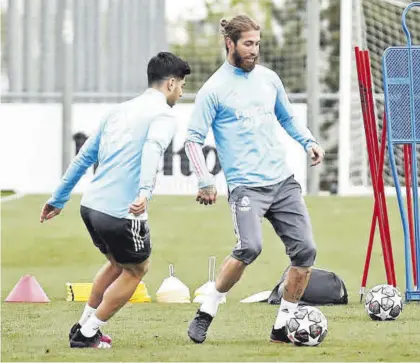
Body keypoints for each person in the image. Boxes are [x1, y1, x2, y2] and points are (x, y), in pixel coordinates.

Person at [185, 15, 325, 344]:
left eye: (257, 44)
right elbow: (192, 139)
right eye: (248, 44)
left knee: (306, 252)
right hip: (247, 186)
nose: (254, 51)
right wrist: (205, 180)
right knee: (250, 246)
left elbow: (288, 117)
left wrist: (309, 142)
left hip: (283, 182)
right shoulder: (213, 90)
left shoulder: (269, 79)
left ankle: (282, 327)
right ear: (229, 44)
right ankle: (207, 310)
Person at [40, 52, 190, 348]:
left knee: (118, 265)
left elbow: (84, 157)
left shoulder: (118, 111)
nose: (182, 92)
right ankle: (87, 334)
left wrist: (58, 198)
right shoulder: (163, 115)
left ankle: (83, 325)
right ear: (171, 83)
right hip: (122, 212)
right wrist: (145, 191)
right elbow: (152, 149)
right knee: (137, 270)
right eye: (182, 85)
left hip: (91, 207)